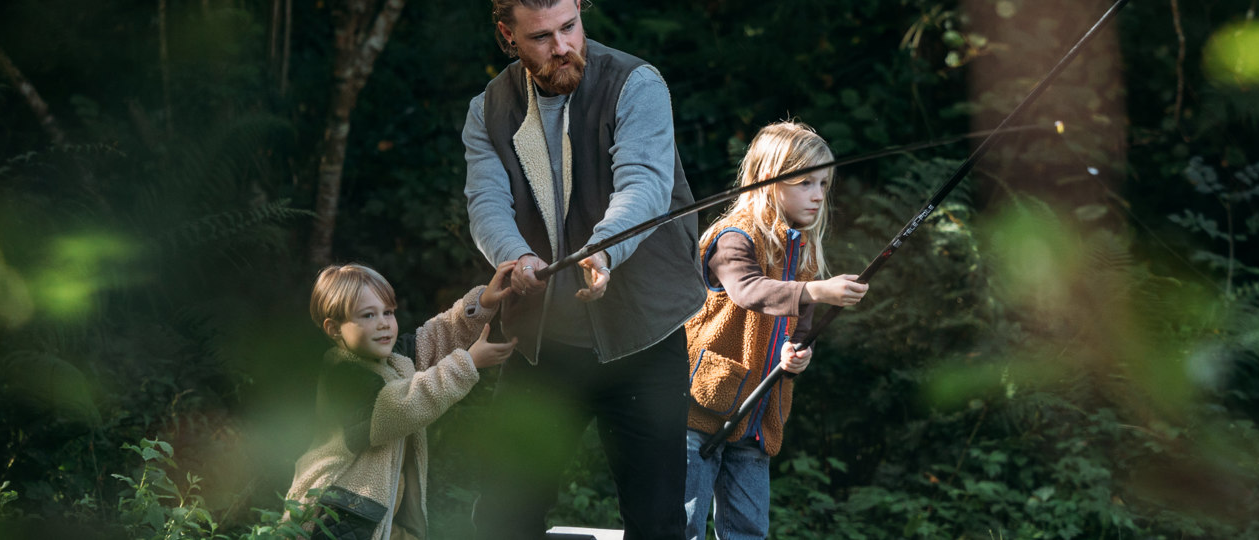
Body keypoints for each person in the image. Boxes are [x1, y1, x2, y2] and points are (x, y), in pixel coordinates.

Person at [460, 0, 703, 536]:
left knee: (657, 522)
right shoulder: (487, 109)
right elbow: (486, 204)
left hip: (643, 338)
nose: (562, 46)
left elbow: (644, 183)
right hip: (543, 345)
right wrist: (514, 256)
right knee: (502, 518)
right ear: (508, 35)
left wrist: (603, 249)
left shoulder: (638, 84)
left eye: (570, 27)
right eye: (542, 36)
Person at [681, 122, 869, 540]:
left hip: (756, 415)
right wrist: (818, 289)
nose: (818, 194)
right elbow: (750, 291)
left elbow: (798, 327)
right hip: (702, 410)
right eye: (805, 182)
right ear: (769, 181)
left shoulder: (801, 250)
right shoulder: (734, 238)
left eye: (823, 182)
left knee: (748, 529)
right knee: (683, 526)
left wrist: (797, 354)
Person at [287, 262, 519, 539]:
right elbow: (399, 409)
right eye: (368, 315)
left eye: (388, 312)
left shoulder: (392, 361)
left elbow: (435, 337)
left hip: (376, 516)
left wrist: (481, 303)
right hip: (335, 516)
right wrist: (467, 363)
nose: (384, 323)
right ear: (334, 329)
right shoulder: (344, 375)